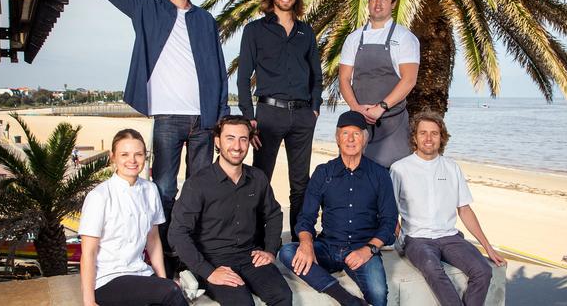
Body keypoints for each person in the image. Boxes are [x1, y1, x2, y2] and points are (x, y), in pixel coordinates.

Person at [58, 0, 230, 276]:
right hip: (167, 118)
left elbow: (219, 71)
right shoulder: (146, 7)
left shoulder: (205, 20)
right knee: (164, 189)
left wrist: (221, 116)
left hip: (204, 120)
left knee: (199, 190)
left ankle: (191, 255)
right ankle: (164, 255)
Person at [168, 115, 292, 305]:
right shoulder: (198, 183)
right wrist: (209, 272)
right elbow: (177, 233)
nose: (237, 146)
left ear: (249, 142)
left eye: (243, 139)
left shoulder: (258, 178)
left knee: (283, 296)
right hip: (212, 259)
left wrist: (270, 250)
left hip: (250, 256)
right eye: (230, 138)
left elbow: (274, 214)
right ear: (217, 141)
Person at [237, 0, 323, 241]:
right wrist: (249, 118)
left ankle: (301, 238)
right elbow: (242, 78)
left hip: (302, 117)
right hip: (267, 116)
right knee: (260, 179)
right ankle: (257, 237)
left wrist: (315, 109)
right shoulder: (254, 31)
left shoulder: (306, 32)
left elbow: (316, 76)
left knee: (301, 183)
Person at [278, 111, 398, 306]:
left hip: (363, 248)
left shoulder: (379, 175)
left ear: (365, 139)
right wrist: (307, 244)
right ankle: (347, 300)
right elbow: (306, 217)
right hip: (327, 247)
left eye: (356, 134)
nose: (350, 139)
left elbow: (389, 220)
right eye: (345, 134)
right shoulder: (323, 172)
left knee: (378, 294)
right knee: (288, 252)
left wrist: (368, 250)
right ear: (337, 139)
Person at [390, 111, 506, 306]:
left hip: (450, 237)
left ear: (442, 137)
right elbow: (389, 210)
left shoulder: (452, 168)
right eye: (423, 133)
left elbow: (465, 210)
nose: (428, 138)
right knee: (433, 269)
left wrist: (488, 247)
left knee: (483, 271)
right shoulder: (400, 169)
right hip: (417, 239)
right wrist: (401, 237)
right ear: (414, 137)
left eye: (434, 133)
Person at [78, 129, 187, 306]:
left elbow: (153, 240)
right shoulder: (99, 196)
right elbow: (88, 253)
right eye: (124, 154)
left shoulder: (150, 190)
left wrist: (162, 280)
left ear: (145, 157)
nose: (132, 160)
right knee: (172, 292)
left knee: (170, 291)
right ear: (113, 157)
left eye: (138, 154)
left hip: (140, 272)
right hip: (108, 278)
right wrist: (88, 301)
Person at [339, 0, 420, 168]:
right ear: (368, 1)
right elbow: (343, 79)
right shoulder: (353, 39)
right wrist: (356, 109)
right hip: (359, 124)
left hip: (393, 124)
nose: (378, 4)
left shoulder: (405, 38)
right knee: (356, 180)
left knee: (394, 182)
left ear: (393, 3)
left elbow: (409, 80)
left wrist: (381, 107)